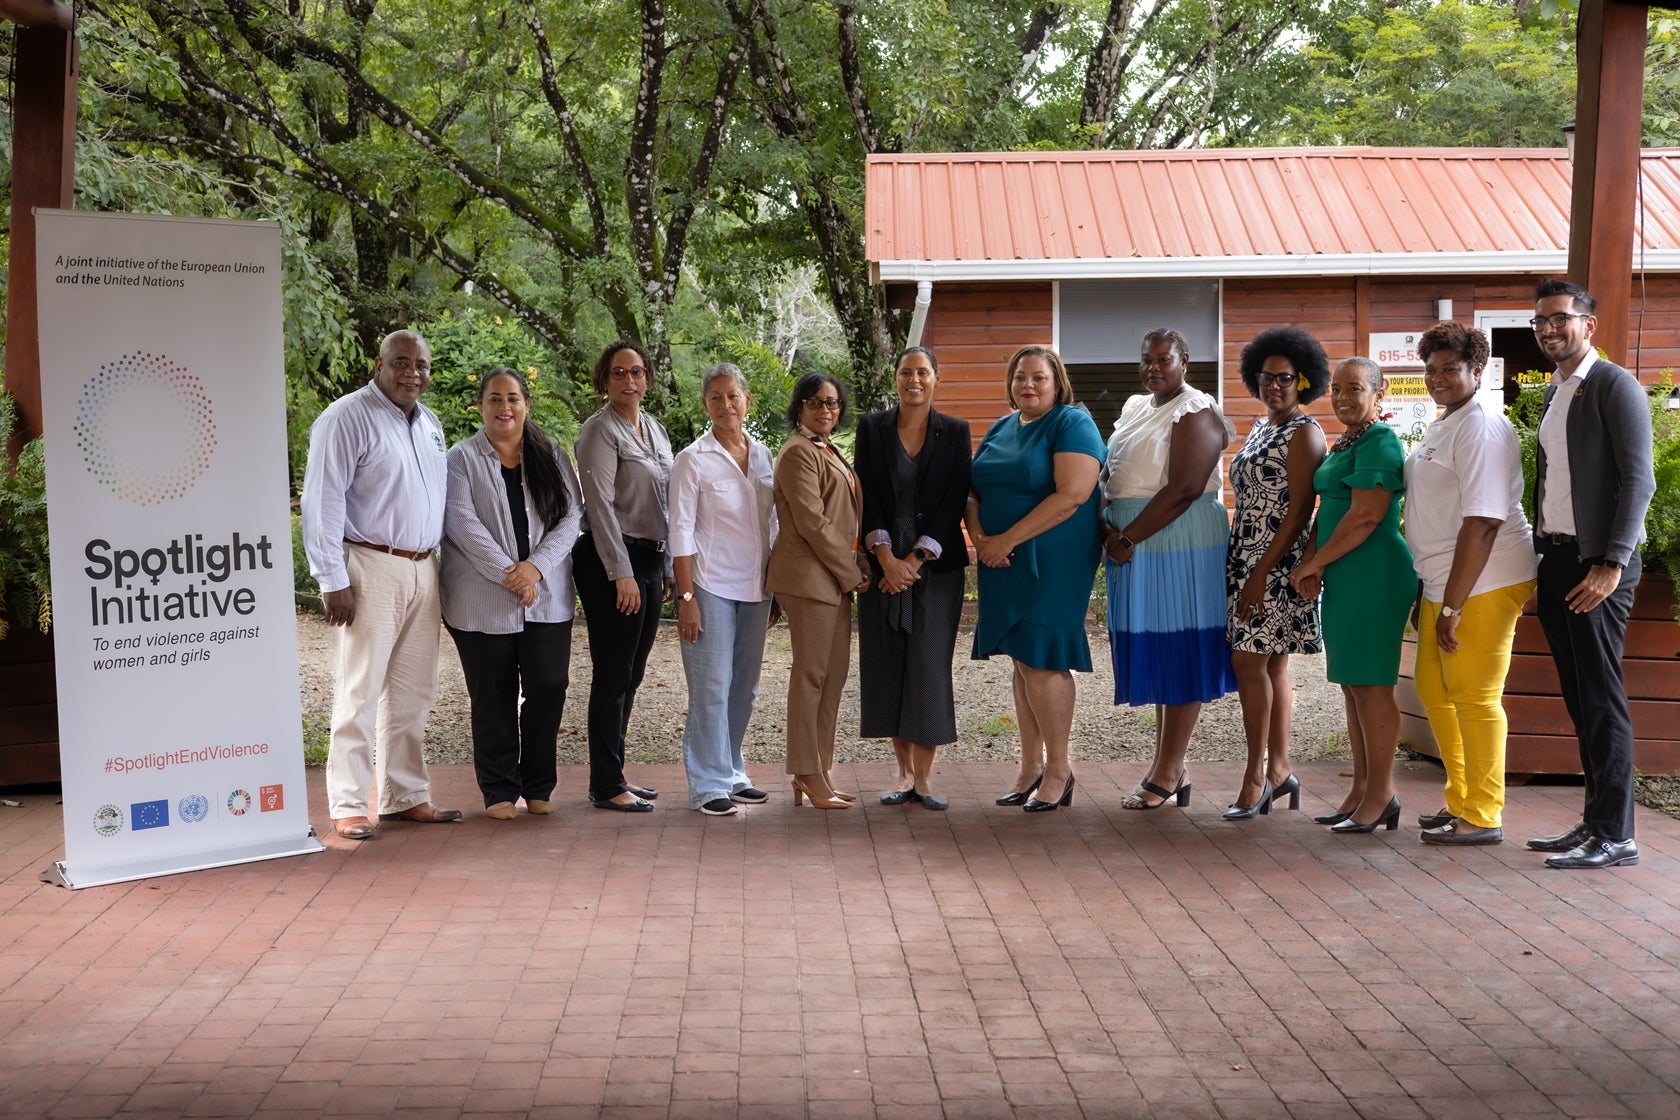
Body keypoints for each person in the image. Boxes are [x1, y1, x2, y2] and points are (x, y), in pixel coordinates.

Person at [300, 329, 462, 840]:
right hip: (369, 564)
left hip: (423, 567)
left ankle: (405, 795)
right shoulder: (346, 416)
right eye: (401, 362)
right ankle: (348, 803)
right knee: (360, 687)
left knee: (414, 691)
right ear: (378, 364)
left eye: (422, 364)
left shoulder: (429, 423)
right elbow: (322, 499)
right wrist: (332, 577)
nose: (413, 372)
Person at [1525, 279, 1655, 870]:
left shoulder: (1613, 386)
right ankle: (1595, 821)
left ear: (1588, 324)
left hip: (1597, 564)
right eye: (1541, 322)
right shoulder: (1560, 391)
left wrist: (1611, 563)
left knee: (1602, 698)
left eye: (1560, 319)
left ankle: (1617, 834)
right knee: (1581, 699)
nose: (1549, 329)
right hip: (1557, 560)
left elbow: (1639, 481)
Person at [1405, 323, 1537, 846]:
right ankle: (1461, 798)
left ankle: (1483, 813)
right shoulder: (1449, 421)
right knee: (1436, 692)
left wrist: (1454, 605)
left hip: (1487, 577)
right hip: (1445, 580)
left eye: (1451, 369)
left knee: (1476, 698)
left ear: (1477, 370)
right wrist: (1432, 593)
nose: (1439, 378)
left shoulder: (1481, 425)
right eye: (1432, 369)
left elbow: (1483, 521)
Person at [1101, 329, 1238, 812]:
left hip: (1176, 541)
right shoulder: (1138, 406)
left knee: (1179, 647)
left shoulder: (1195, 409)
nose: (1154, 368)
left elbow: (1184, 488)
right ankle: (1170, 765)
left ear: (1186, 360)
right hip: (1136, 540)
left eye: (1164, 359)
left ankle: (1169, 768)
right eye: (1147, 360)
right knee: (1160, 646)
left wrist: (1126, 536)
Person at [439, 368, 582, 820]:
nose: (504, 407)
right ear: (480, 405)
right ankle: (499, 789)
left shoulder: (552, 455)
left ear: (526, 405)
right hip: (480, 598)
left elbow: (571, 516)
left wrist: (535, 568)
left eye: (513, 399)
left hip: (546, 596)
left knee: (548, 685)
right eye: (495, 399)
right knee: (493, 694)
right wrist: (511, 574)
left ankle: (539, 784)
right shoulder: (460, 459)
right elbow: (461, 522)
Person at [966, 345, 1104, 813]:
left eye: (1038, 378)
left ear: (1057, 382)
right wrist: (982, 538)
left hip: (1054, 554)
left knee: (1043, 657)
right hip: (999, 555)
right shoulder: (1002, 427)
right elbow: (972, 491)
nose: (1028, 384)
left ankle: (1060, 770)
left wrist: (1006, 540)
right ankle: (1029, 768)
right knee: (1022, 659)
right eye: (1020, 377)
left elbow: (1074, 494)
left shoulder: (1071, 423)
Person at [1291, 356, 1416, 834]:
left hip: (1376, 571)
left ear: (1378, 394)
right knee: (1352, 685)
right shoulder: (1349, 438)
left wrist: (1313, 563)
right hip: (1345, 571)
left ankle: (1382, 793)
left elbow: (1365, 517)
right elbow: (1330, 510)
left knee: (1372, 685)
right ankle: (1362, 789)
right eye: (1336, 389)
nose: (1342, 397)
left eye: (1355, 389)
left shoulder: (1381, 439)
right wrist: (1317, 562)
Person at [856, 347, 972, 811]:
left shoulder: (956, 432)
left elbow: (953, 499)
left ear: (936, 379)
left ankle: (924, 779)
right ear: (896, 378)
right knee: (888, 667)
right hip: (883, 563)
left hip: (935, 569)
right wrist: (885, 558)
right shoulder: (871, 428)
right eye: (906, 372)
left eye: (923, 372)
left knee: (926, 668)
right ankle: (902, 775)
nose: (914, 380)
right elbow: (866, 491)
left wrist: (914, 562)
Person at [1224, 328, 1328, 820]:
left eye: (1285, 378)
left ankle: (1254, 775)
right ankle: (1280, 769)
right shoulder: (1261, 426)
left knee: (1249, 663)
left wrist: (1262, 572)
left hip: (1275, 563)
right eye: (1265, 378)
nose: (1274, 386)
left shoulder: (1304, 432)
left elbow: (1301, 510)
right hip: (1245, 557)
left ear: (1303, 380)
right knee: (1271, 665)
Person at [669, 364, 776, 817]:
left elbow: (773, 524)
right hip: (709, 586)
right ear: (705, 405)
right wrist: (686, 598)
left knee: (744, 689)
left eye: (732, 396)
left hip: (757, 588)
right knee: (711, 686)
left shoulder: (766, 455)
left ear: (746, 400)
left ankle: (733, 770)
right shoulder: (692, 459)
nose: (725, 405)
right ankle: (707, 784)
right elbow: (680, 530)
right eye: (715, 397)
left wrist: (779, 587)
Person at [573, 340, 673, 813]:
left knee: (633, 674)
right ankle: (606, 782)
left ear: (647, 378)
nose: (629, 380)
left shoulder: (653, 429)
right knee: (613, 674)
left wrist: (668, 563)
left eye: (636, 372)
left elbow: (669, 505)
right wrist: (621, 573)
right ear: (604, 379)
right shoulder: (599, 432)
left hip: (649, 560)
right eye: (619, 372)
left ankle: (616, 773)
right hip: (612, 563)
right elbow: (600, 509)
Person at [766, 373, 869, 810]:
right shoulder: (795, 453)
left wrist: (855, 563)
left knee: (832, 678)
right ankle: (805, 770)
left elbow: (844, 519)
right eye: (815, 403)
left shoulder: (826, 449)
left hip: (833, 578)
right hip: (810, 579)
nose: (825, 410)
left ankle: (819, 768)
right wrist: (852, 571)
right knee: (811, 678)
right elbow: (812, 522)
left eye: (831, 403)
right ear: (800, 408)